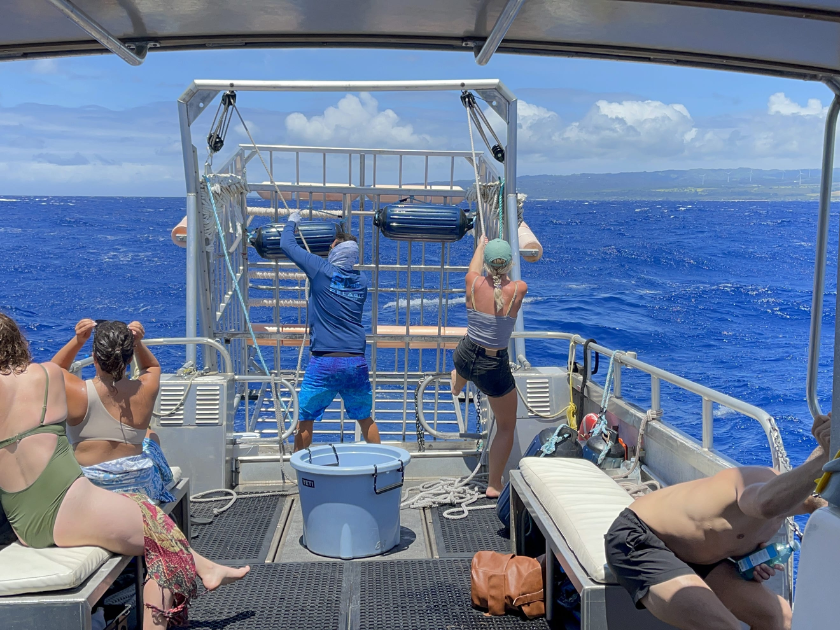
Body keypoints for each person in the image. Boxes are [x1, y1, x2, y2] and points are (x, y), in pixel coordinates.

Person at [0, 313, 248, 628]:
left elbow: (61, 370)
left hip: (24, 523)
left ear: (96, 356)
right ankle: (205, 569)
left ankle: (206, 569)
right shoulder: (44, 375)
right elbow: (55, 370)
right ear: (18, 343)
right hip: (69, 505)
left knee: (151, 524)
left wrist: (76, 342)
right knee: (159, 531)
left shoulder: (60, 380)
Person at [605, 413, 832, 630]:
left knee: (779, 619)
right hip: (639, 537)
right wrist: (824, 458)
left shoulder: (794, 507)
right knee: (721, 626)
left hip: (699, 557)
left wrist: (748, 560)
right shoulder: (762, 482)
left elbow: (724, 532)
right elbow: (765, 504)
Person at [280, 213, 380, 451]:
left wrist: (292, 221)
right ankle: (383, 464)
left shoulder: (320, 270)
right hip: (355, 362)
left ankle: (301, 471)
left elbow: (286, 244)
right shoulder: (362, 281)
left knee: (305, 420)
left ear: (336, 251)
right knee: (365, 418)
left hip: (324, 362)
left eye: (332, 246)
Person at [51, 319, 175, 503]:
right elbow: (151, 367)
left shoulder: (77, 391)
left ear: (94, 357)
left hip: (91, 488)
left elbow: (55, 369)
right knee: (150, 435)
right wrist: (138, 342)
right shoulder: (145, 389)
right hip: (139, 489)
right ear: (130, 358)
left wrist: (78, 340)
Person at [451, 236, 527, 498]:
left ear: (485, 263)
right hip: (492, 367)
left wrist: (481, 245)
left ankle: (457, 382)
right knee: (506, 426)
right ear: (509, 264)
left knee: (464, 368)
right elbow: (503, 285)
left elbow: (473, 270)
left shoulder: (472, 283)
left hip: (465, 354)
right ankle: (494, 485)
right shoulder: (519, 289)